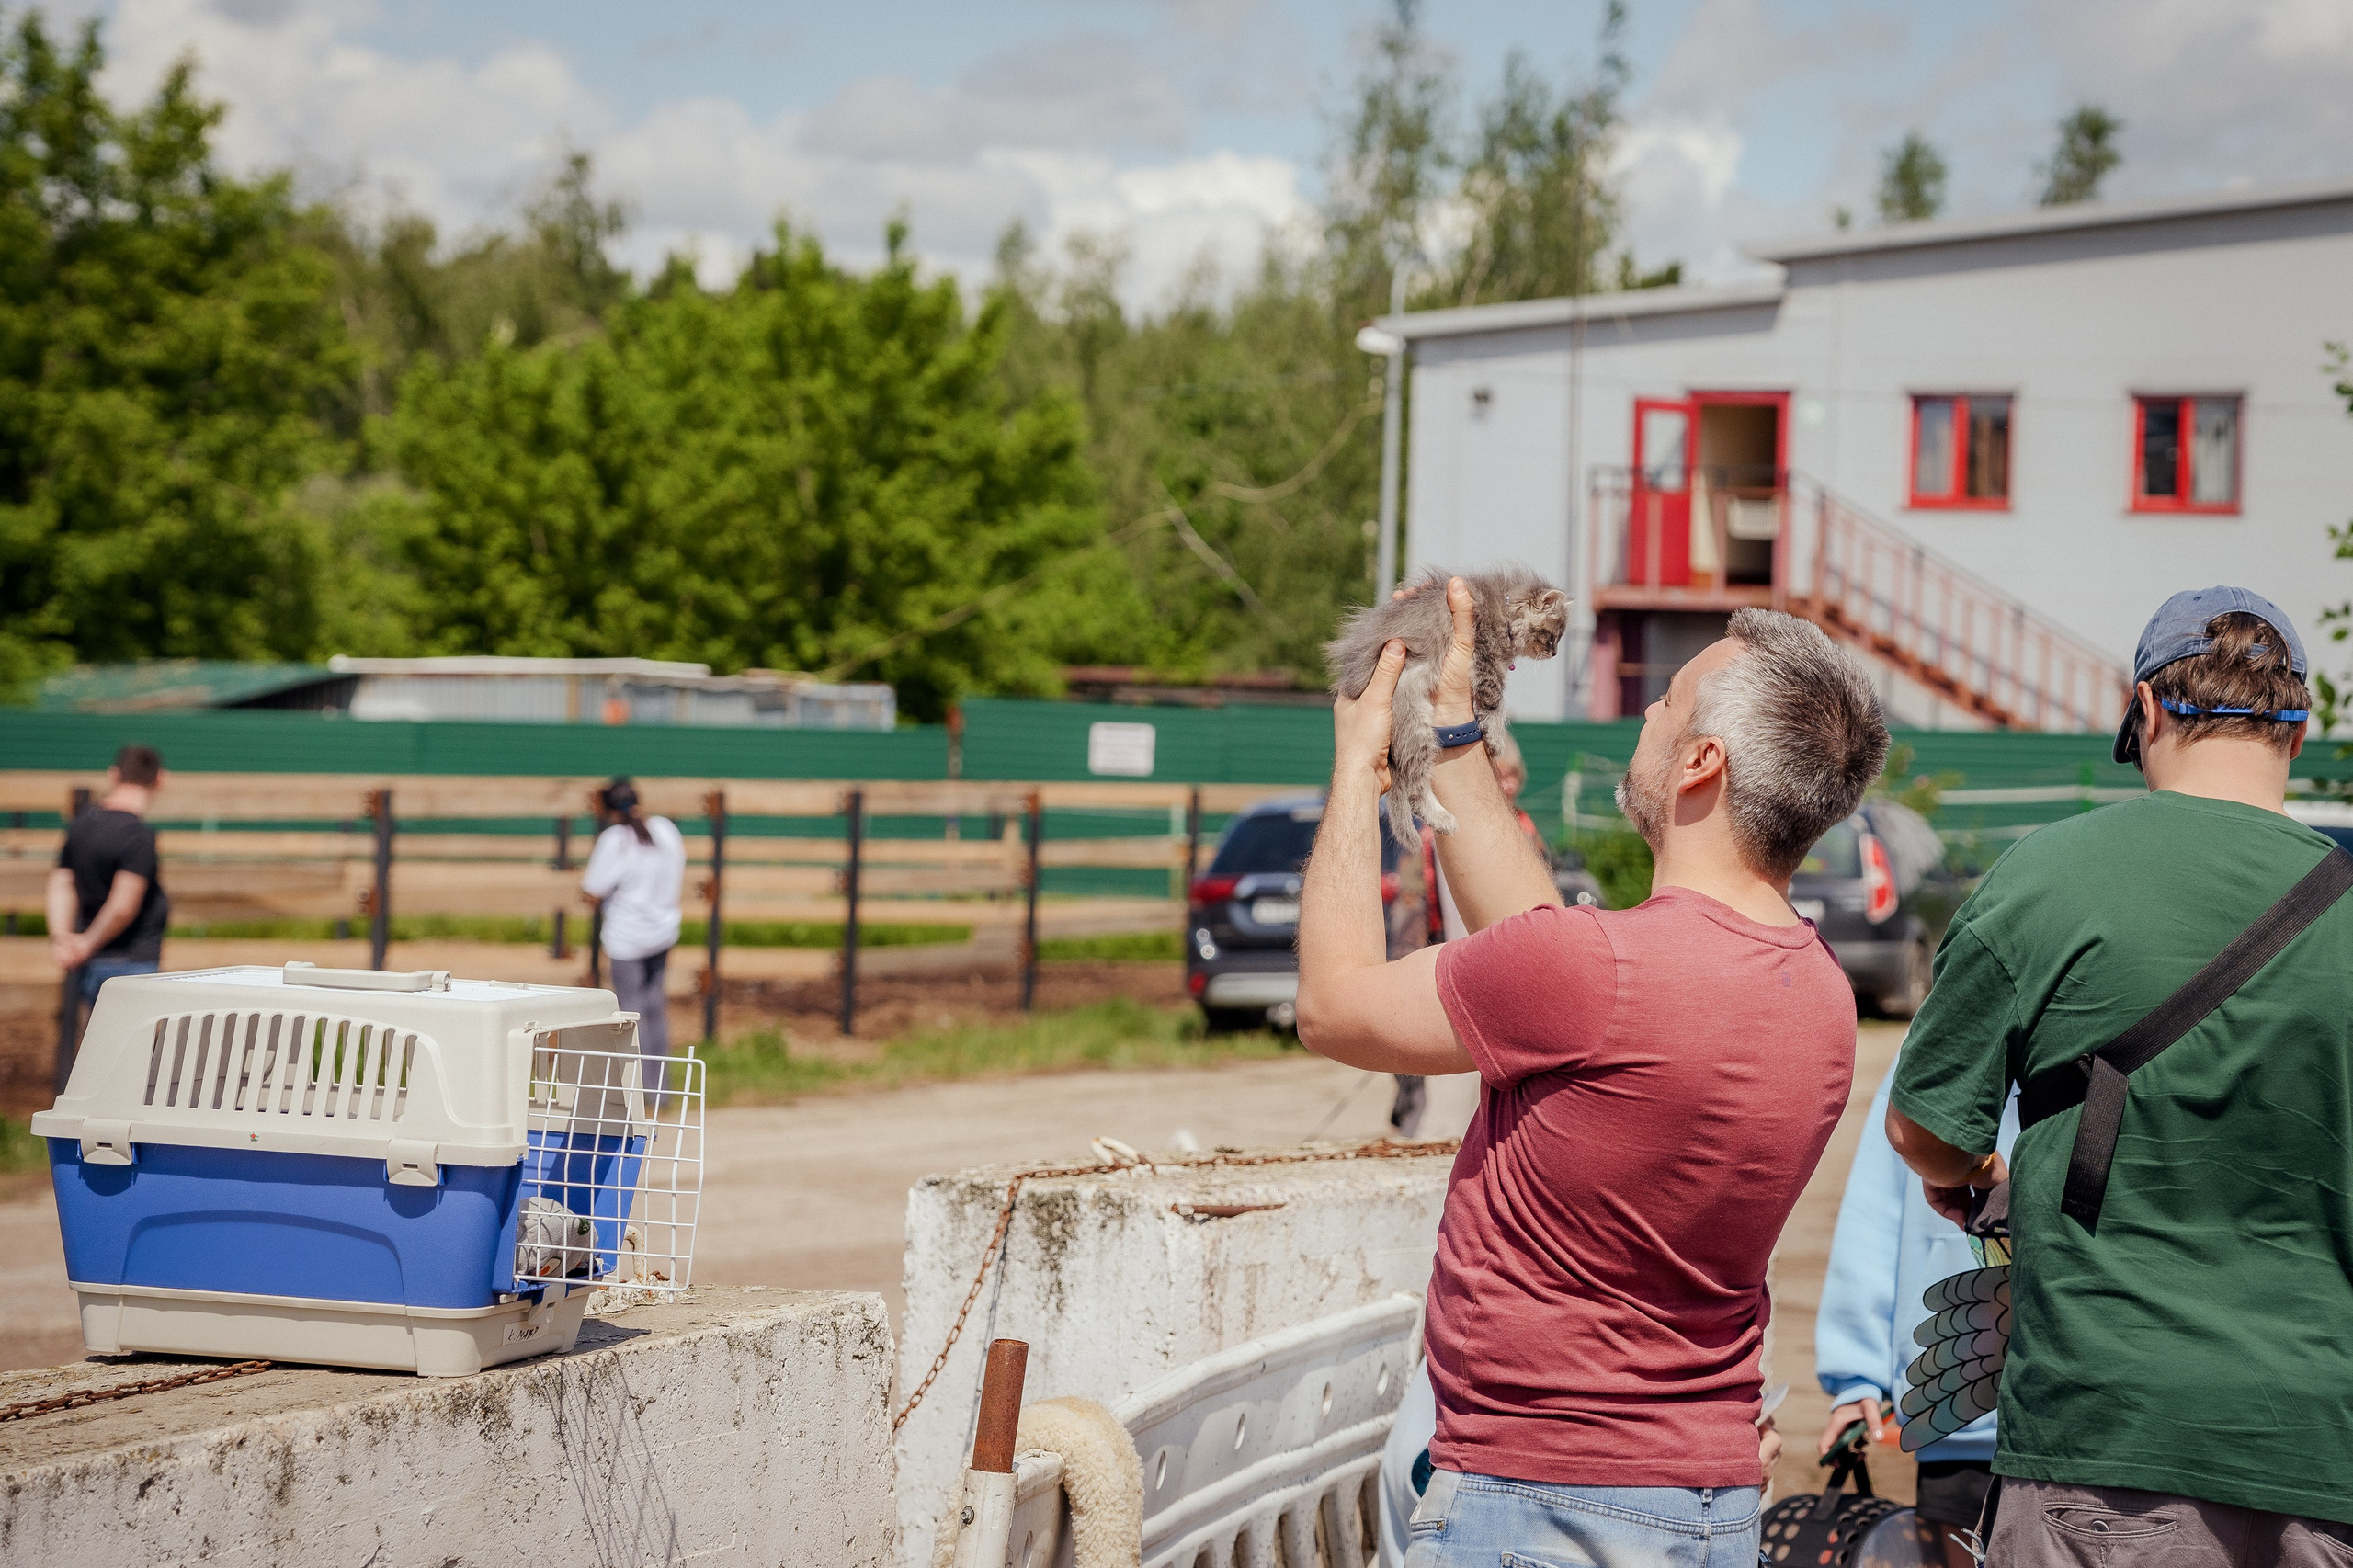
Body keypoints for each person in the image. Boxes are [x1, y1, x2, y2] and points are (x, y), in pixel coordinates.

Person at [1299, 584, 1887, 1566]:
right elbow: (1544, 952)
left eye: (1669, 701)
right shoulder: (1818, 992)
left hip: (1539, 1505)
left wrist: (1361, 762)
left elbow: (1333, 1002)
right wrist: (1450, 733)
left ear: (1703, 760)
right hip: (1700, 1505)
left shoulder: (1593, 973)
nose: (1648, 711)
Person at [1885, 586, 2353, 1565]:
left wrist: (1976, 1176)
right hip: (2319, 1449)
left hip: (2103, 1439)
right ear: (2298, 728)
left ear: (2144, 710)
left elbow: (1922, 1126)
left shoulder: (2046, 874)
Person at [1814, 1062, 2018, 1567]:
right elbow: (1874, 1214)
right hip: (1958, 1410)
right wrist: (1857, 1375)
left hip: (2090, 1419)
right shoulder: (1939, 1046)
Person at [1389, 728, 1551, 1139]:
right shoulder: (1436, 838)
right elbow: (1410, 916)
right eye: (1501, 775)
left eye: (1515, 775)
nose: (1510, 783)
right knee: (1438, 1114)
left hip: (1512, 988)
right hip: (1447, 980)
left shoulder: (1528, 836)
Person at [48, 745, 171, 1029]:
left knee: (97, 1044)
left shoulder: (81, 825)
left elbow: (62, 883)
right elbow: (122, 906)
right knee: (132, 1057)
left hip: (90, 964)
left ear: (114, 775)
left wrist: (63, 940)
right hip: (131, 963)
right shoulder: (138, 836)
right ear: (160, 780)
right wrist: (86, 944)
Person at [581, 778, 687, 1093]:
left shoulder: (616, 839)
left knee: (630, 1011)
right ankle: (660, 1089)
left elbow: (592, 890)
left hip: (627, 937)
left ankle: (635, 1091)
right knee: (655, 1007)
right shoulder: (666, 830)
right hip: (663, 931)